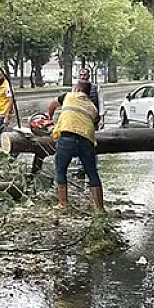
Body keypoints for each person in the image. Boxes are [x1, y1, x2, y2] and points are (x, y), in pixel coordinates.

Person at [51, 80, 104, 212]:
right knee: (92, 173)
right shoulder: (93, 107)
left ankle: (63, 205)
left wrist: (50, 118)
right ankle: (99, 208)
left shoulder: (68, 96)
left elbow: (52, 105)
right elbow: (94, 123)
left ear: (77, 89)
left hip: (67, 138)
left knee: (60, 170)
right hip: (86, 141)